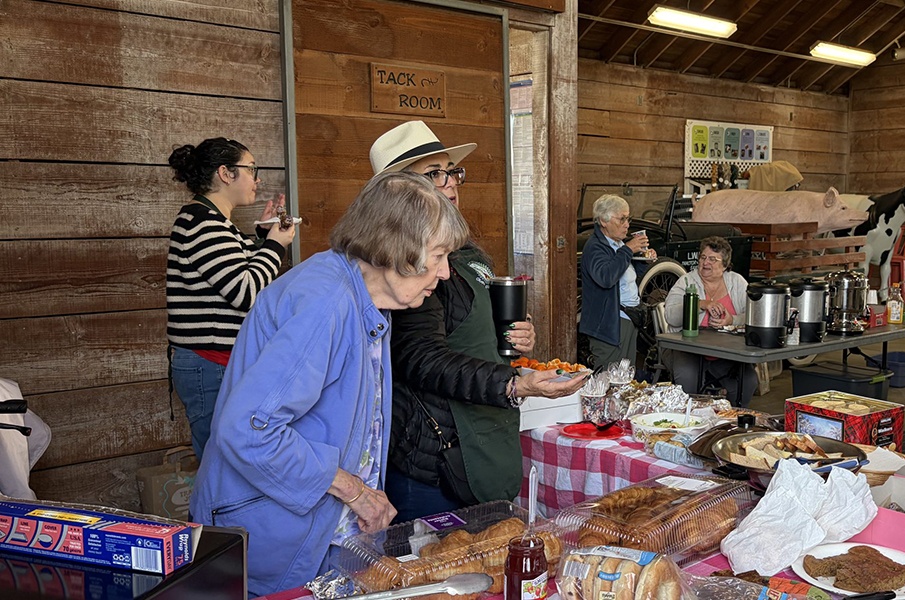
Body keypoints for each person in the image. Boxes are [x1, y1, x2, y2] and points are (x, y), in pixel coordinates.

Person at [190, 171, 468, 595]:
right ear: (396, 249)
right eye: (438, 254)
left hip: (319, 532)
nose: (446, 272)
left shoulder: (366, 298)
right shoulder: (325, 304)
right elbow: (248, 430)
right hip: (271, 537)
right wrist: (355, 491)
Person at [370, 122, 586, 521]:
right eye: (434, 173)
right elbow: (419, 357)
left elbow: (480, 330)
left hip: (488, 438)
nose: (450, 183)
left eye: (451, 171)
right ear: (398, 192)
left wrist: (519, 339)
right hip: (437, 459)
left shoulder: (467, 253)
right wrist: (513, 383)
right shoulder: (404, 264)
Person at [166, 137, 295, 459]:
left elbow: (235, 269)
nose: (257, 178)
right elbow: (245, 292)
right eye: (251, 169)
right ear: (225, 173)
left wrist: (263, 237)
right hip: (208, 363)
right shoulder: (202, 222)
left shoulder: (217, 223)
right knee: (221, 462)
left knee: (230, 458)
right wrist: (276, 245)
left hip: (218, 361)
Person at [661, 236, 757, 406]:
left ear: (725, 265)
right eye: (703, 257)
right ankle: (689, 420)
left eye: (713, 259)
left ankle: (731, 420)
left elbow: (753, 315)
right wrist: (700, 304)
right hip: (688, 349)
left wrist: (731, 319)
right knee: (687, 376)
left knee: (748, 379)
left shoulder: (737, 282)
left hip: (726, 352)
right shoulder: (686, 281)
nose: (706, 263)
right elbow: (670, 316)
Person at [580, 194, 657, 369]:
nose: (627, 225)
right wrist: (628, 250)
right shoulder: (595, 247)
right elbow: (606, 278)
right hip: (609, 326)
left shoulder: (617, 244)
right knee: (609, 379)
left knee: (626, 376)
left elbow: (625, 279)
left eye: (628, 219)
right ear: (603, 221)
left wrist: (643, 261)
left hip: (627, 319)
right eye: (622, 219)